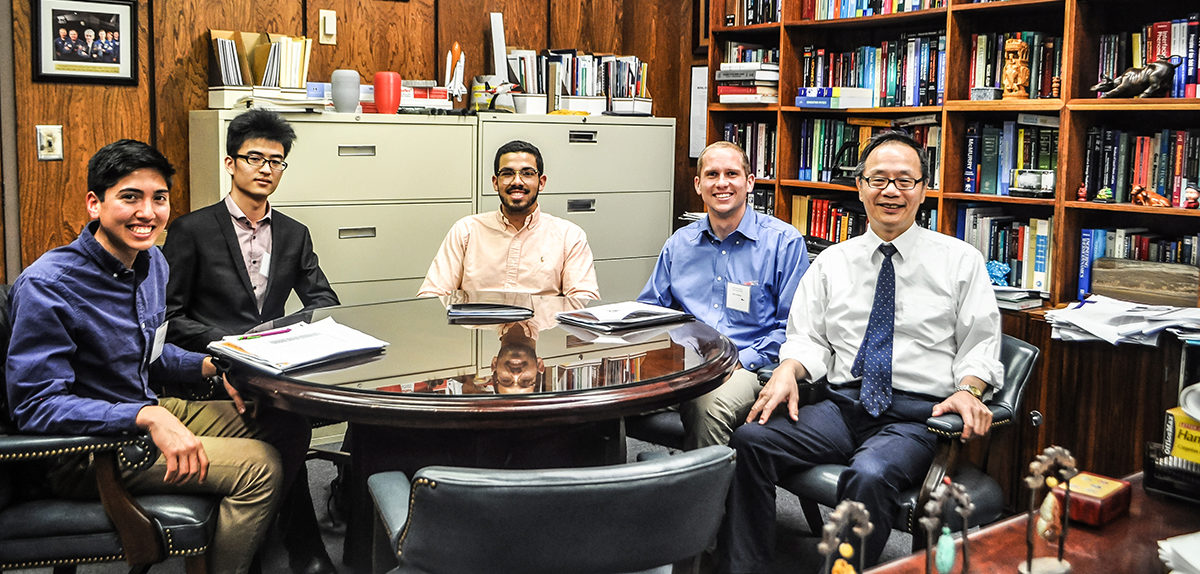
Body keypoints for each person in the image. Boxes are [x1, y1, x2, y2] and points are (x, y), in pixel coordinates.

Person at [5, 139, 310, 574]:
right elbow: (35, 405)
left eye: (159, 198)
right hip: (89, 450)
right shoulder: (50, 286)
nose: (147, 213)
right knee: (259, 468)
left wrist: (218, 363)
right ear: (95, 204)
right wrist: (148, 418)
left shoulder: (151, 264)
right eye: (130, 197)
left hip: (144, 408)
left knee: (286, 424)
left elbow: (150, 354)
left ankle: (239, 543)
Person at [718, 131, 1003, 572]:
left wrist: (969, 388)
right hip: (841, 406)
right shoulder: (833, 261)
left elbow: (981, 342)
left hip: (914, 417)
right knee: (751, 441)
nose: (891, 191)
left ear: (923, 190)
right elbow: (807, 336)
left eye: (905, 181)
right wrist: (788, 370)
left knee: (869, 474)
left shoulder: (960, 261)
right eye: (879, 179)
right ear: (860, 187)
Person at [163, 109, 339, 574]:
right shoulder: (191, 230)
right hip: (212, 370)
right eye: (254, 158)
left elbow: (323, 299)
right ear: (229, 163)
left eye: (276, 161)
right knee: (289, 428)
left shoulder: (295, 234)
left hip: (274, 366)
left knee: (290, 421)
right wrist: (230, 343)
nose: (266, 169)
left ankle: (268, 534)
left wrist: (291, 333)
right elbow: (169, 317)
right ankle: (298, 537)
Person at [637, 141, 808, 449]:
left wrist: (739, 361)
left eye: (732, 173)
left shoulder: (783, 243)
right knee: (604, 403)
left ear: (750, 182)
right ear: (698, 184)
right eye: (712, 174)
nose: (722, 183)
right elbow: (650, 310)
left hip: (747, 365)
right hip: (683, 365)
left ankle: (706, 498)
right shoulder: (680, 243)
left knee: (708, 407)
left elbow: (793, 328)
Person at [418, 139, 600, 299]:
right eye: (507, 173)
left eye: (527, 173)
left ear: (541, 182)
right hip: (477, 333)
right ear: (495, 183)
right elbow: (433, 294)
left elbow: (582, 301)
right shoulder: (466, 230)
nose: (517, 181)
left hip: (542, 333)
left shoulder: (569, 236)